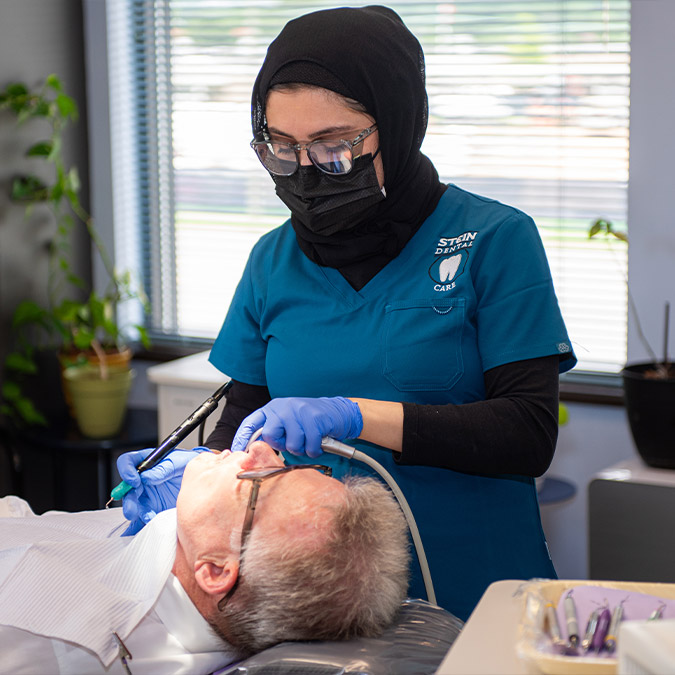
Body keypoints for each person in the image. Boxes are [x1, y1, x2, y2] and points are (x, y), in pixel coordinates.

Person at [122, 5, 576, 621]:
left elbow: (526, 434)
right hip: (323, 609)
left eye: (334, 146)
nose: (306, 171)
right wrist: (193, 476)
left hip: (477, 592)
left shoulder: (493, 239)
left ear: (397, 123)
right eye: (282, 148)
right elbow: (243, 412)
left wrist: (354, 415)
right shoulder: (272, 260)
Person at [0, 441, 410, 674]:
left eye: (263, 479)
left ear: (215, 570)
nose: (261, 448)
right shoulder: (180, 550)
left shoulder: (60, 642)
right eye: (290, 464)